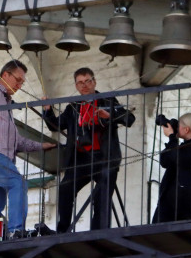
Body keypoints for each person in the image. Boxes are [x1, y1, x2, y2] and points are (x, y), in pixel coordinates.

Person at [0, 60, 56, 243]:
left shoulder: (6, 104)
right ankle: (16, 230)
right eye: (17, 80)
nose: (19, 85)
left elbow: (18, 142)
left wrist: (41, 146)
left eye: (22, 82)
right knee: (18, 183)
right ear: (5, 75)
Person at [42, 67, 135, 232]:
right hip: (81, 158)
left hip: (105, 158)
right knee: (65, 189)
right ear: (76, 86)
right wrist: (48, 111)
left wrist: (110, 115)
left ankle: (98, 232)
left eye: (87, 81)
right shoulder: (73, 107)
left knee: (102, 196)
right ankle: (62, 231)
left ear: (94, 82)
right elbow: (54, 126)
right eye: (80, 83)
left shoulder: (107, 101)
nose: (84, 85)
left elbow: (130, 118)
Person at [152, 112, 191, 223]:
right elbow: (165, 161)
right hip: (173, 200)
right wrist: (172, 138)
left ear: (186, 129)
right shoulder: (184, 146)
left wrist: (172, 138)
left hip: (185, 200)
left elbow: (179, 159)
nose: (177, 128)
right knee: (157, 228)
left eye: (179, 125)